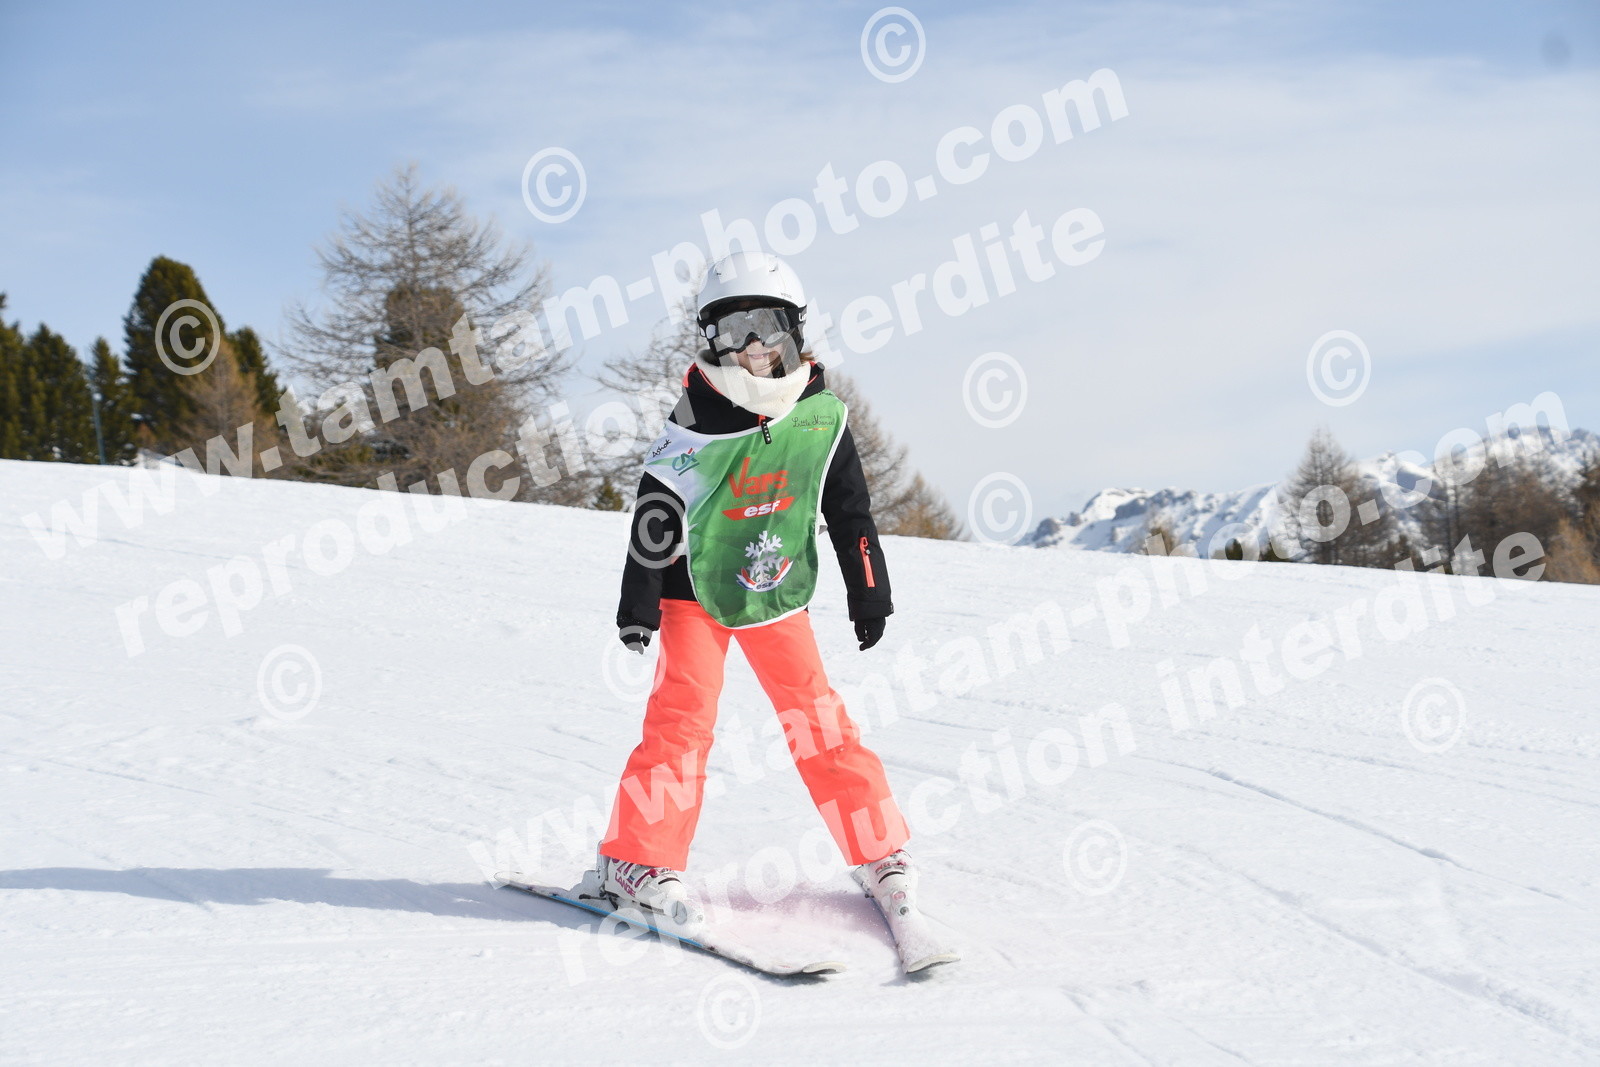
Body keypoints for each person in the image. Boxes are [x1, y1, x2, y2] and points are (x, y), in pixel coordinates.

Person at [588, 250, 915, 934]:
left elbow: (850, 511)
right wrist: (638, 605)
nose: (754, 344)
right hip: (692, 587)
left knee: (819, 719)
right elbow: (655, 514)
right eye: (736, 329)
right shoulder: (695, 416)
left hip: (772, 582)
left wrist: (868, 592)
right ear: (713, 339)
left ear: (794, 330)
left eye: (767, 324)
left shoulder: (820, 415)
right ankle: (636, 860)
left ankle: (878, 851)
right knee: (682, 719)